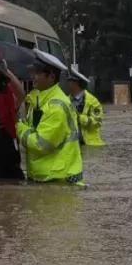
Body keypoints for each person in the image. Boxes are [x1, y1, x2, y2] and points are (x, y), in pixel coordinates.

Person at [15, 50, 84, 185]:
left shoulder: (56, 106)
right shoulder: (39, 100)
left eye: (37, 73)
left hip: (60, 180)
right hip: (48, 179)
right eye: (33, 72)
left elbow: (40, 144)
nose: (33, 77)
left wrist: (18, 126)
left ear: (51, 76)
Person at [63, 66, 106, 148]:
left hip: (90, 145)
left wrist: (80, 118)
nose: (68, 84)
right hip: (72, 146)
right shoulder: (66, 100)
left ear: (76, 83)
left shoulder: (92, 101)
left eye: (70, 81)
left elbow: (98, 122)